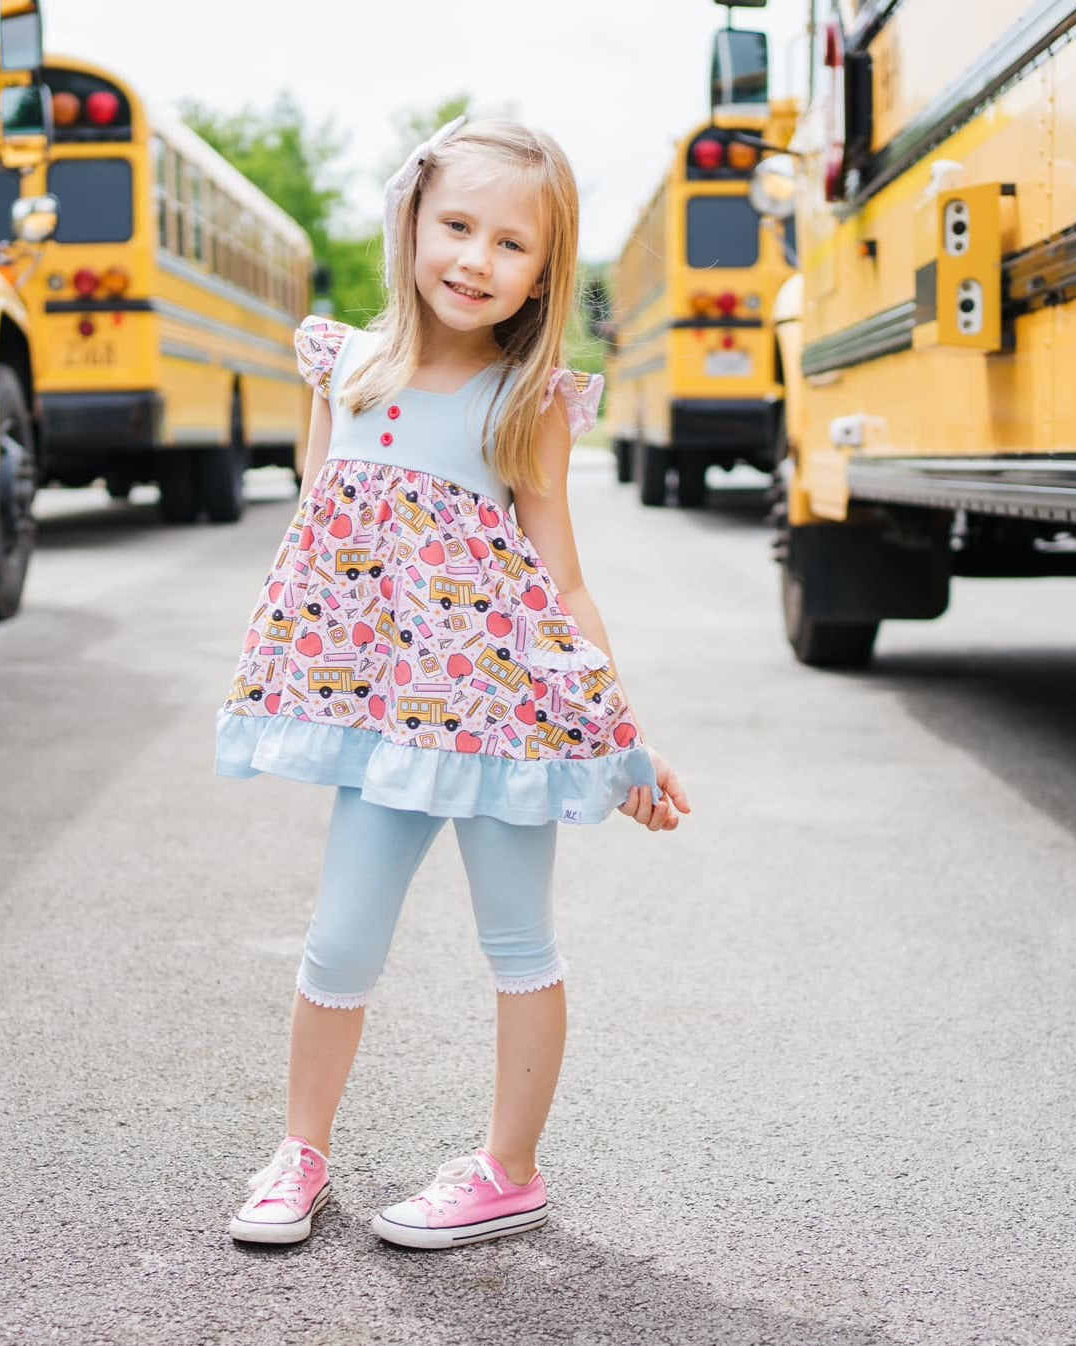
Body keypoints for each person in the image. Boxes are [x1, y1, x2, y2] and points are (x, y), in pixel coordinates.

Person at [215, 118, 689, 1250]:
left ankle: (506, 1169)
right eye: (457, 226)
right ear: (411, 222)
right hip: (388, 718)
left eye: (510, 243)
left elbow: (560, 581)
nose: (475, 259)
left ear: (543, 270)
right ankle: (301, 1147)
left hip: (509, 722)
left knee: (518, 941)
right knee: (338, 940)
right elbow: (323, 524)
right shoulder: (344, 365)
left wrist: (615, 736)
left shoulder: (524, 401)